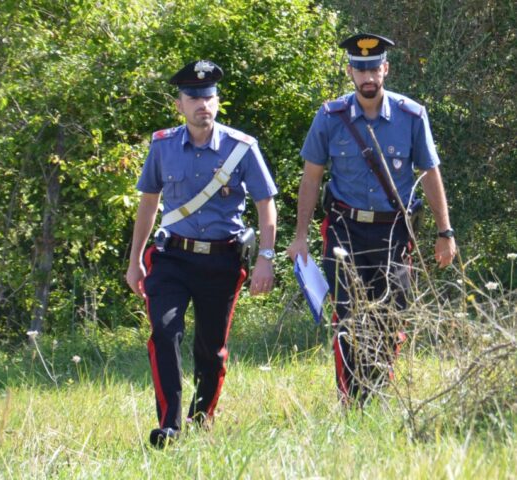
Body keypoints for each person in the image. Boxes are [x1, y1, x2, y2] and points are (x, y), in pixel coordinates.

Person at [287, 34, 457, 405]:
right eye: (360, 68)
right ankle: (353, 399)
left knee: (391, 315)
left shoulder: (412, 116)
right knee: (347, 315)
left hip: (392, 232)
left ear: (386, 69)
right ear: (350, 71)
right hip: (344, 230)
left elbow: (430, 174)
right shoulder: (330, 117)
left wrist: (445, 231)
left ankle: (377, 388)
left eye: (374, 67)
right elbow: (311, 177)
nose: (367, 76)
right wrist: (300, 236)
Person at [126, 60, 278, 447]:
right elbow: (148, 203)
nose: (202, 104)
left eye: (208, 96)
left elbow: (266, 202)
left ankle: (201, 415)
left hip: (221, 260)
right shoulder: (162, 146)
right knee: (164, 332)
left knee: (211, 349)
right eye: (193, 97)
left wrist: (266, 256)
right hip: (172, 258)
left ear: (217, 101)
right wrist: (134, 261)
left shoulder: (241, 148)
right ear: (179, 104)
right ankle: (170, 425)